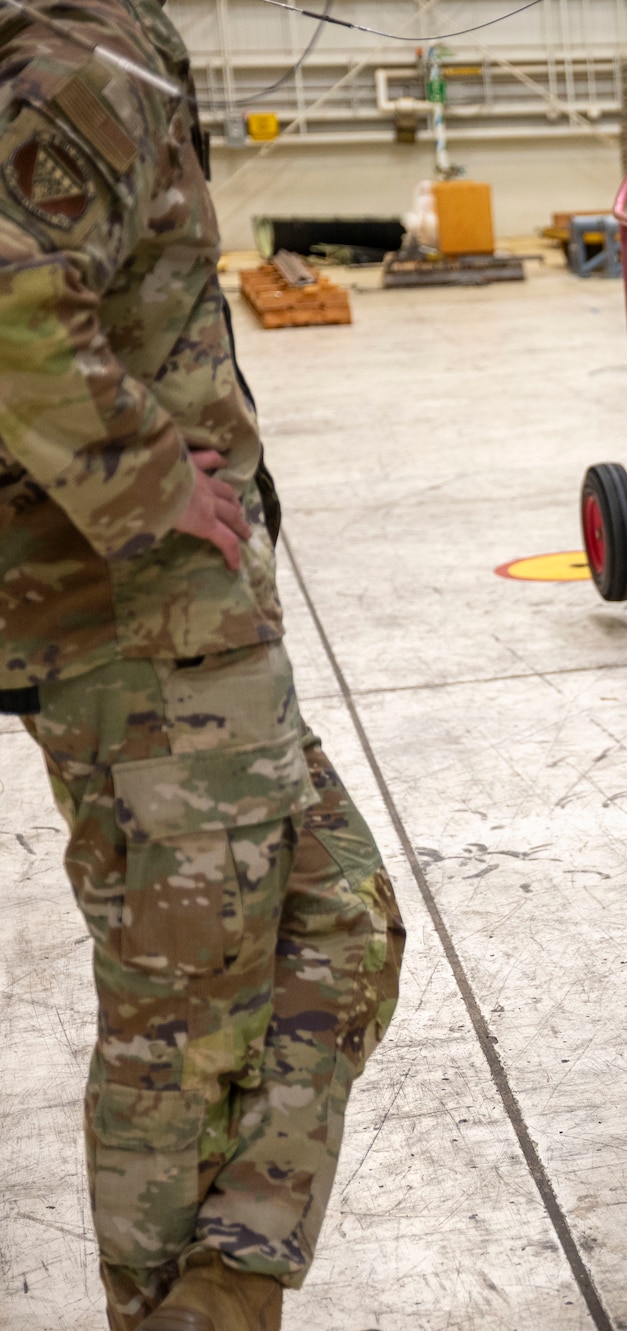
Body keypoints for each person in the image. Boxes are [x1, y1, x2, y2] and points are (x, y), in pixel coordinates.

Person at [0, 4, 406, 1329]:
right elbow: (7, 288)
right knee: (185, 1027)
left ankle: (225, 1288)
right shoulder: (78, 41)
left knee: (345, 918)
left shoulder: (105, 32)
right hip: (136, 634)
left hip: (194, 626)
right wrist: (146, 477)